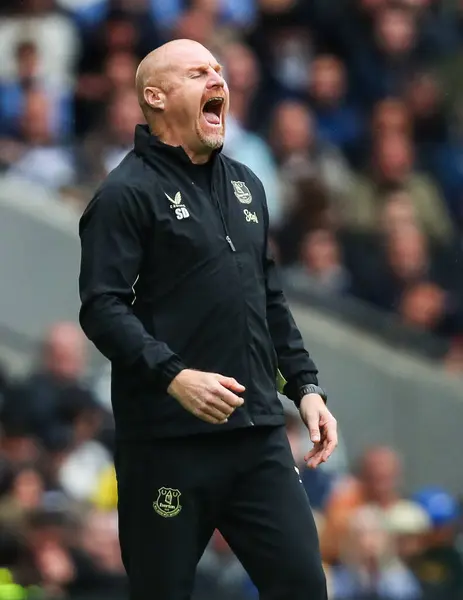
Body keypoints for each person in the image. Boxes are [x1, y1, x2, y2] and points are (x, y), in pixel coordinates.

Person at [78, 38, 338, 600]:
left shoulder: (248, 183)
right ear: (156, 96)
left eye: (219, 70)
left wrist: (306, 387)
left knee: (304, 588)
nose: (218, 80)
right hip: (168, 444)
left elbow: (269, 298)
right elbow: (101, 308)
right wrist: (174, 375)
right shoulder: (124, 195)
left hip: (257, 437)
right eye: (198, 73)